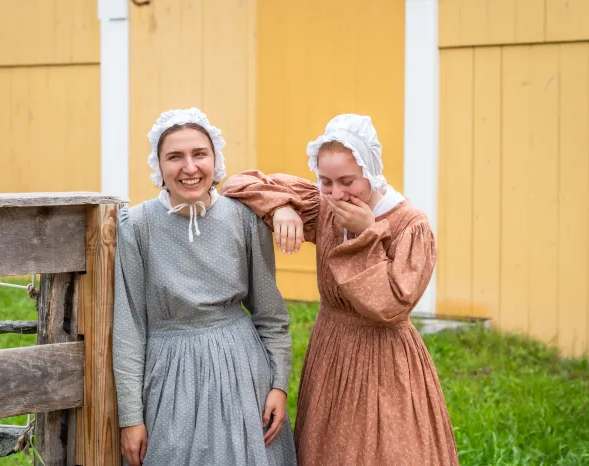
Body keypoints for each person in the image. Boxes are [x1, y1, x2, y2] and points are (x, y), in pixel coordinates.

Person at [221, 114, 459, 465]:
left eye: (348, 181)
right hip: (332, 346)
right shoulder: (325, 206)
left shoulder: (410, 224)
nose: (336, 193)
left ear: (371, 171)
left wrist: (367, 234)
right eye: (325, 181)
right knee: (331, 446)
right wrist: (283, 206)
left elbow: (392, 306)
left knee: (387, 450)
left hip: (386, 357)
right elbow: (238, 184)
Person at [113, 108, 297, 466]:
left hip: (243, 372)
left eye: (200, 154)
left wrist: (279, 384)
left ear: (215, 159)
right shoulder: (137, 225)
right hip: (169, 374)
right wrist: (131, 417)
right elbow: (129, 327)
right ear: (159, 165)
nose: (190, 167)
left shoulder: (244, 218)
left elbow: (270, 313)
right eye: (175, 157)